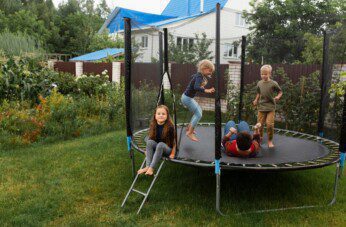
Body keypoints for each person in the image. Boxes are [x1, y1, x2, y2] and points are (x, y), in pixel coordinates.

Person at [181, 59, 215, 142]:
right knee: (198, 114)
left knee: (199, 111)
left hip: (187, 97)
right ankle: (190, 132)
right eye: (210, 70)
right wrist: (206, 90)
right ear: (204, 68)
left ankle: (189, 127)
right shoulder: (199, 76)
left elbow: (193, 80)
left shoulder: (199, 75)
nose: (211, 73)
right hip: (187, 98)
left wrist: (200, 86)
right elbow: (196, 87)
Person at [137, 105, 175, 176]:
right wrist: (147, 150)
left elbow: (174, 142)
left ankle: (151, 168)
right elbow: (151, 138)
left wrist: (172, 153)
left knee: (160, 144)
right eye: (159, 114)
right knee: (149, 142)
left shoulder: (170, 127)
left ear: (167, 116)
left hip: (167, 149)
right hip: (158, 147)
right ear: (155, 115)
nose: (161, 115)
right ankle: (147, 166)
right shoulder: (153, 124)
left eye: (163, 114)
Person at [253, 65, 283, 148]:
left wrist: (278, 97)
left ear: (269, 74)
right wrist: (256, 100)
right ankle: (260, 138)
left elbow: (280, 92)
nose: (263, 76)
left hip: (270, 107)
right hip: (261, 107)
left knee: (269, 124)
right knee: (260, 125)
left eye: (265, 74)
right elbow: (258, 93)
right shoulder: (259, 83)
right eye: (262, 74)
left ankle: (270, 140)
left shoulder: (273, 83)